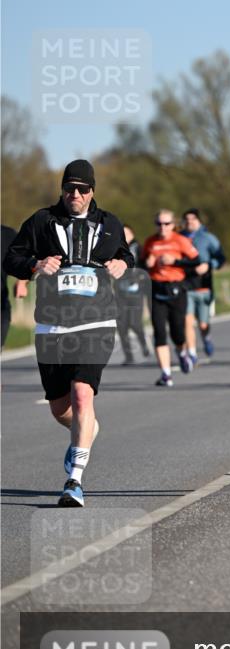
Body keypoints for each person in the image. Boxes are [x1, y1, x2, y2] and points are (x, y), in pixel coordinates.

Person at [3, 160, 133, 506]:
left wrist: (124, 263)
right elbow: (11, 259)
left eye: (83, 189)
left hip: (96, 323)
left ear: (93, 192)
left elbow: (125, 255)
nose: (75, 194)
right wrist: (35, 265)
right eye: (69, 188)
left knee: (81, 394)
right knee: (61, 406)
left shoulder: (109, 224)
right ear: (62, 189)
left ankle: (74, 480)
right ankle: (84, 432)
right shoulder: (41, 222)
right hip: (52, 326)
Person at [142, 210, 200, 386]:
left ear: (173, 224)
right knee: (159, 332)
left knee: (177, 332)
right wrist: (147, 263)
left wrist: (175, 262)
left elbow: (196, 261)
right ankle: (166, 374)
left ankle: (182, 353)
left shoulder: (180, 240)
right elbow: (141, 263)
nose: (162, 227)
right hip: (156, 289)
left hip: (176, 290)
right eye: (159, 223)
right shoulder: (150, 242)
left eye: (166, 223)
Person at [181, 208, 225, 364]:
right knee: (187, 320)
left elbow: (221, 258)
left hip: (204, 286)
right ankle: (191, 353)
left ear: (199, 221)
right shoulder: (178, 238)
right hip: (185, 286)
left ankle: (206, 337)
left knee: (203, 323)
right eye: (186, 220)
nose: (189, 222)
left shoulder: (208, 238)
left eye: (193, 219)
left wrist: (209, 265)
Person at [115, 225, 151, 364]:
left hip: (136, 292)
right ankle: (129, 356)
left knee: (135, 324)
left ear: (132, 234)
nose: (125, 236)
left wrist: (141, 276)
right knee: (122, 325)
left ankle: (144, 345)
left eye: (127, 233)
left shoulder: (139, 248)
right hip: (120, 292)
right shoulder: (115, 249)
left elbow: (146, 266)